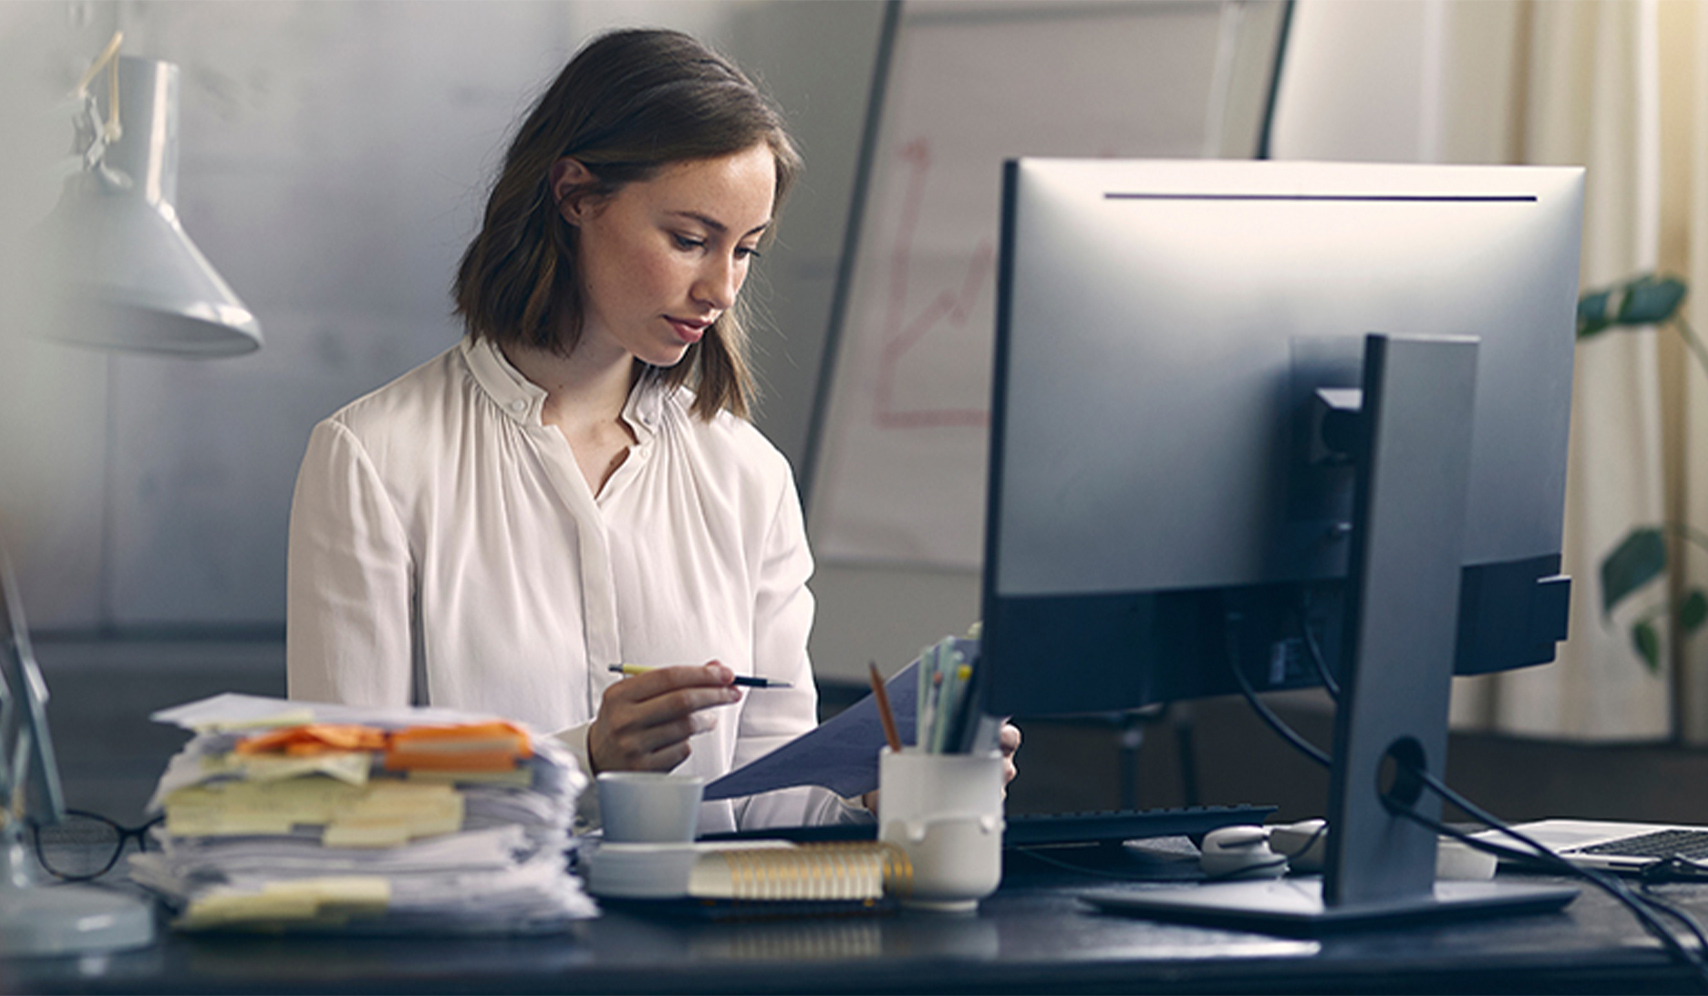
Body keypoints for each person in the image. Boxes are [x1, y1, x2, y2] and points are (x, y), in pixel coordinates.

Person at [286, 28, 1017, 834]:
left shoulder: (748, 475)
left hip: (702, 952)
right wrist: (586, 758)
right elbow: (339, 795)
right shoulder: (374, 459)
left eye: (746, 252)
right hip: (485, 948)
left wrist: (884, 787)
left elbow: (766, 799)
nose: (722, 288)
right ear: (574, 194)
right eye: (690, 240)